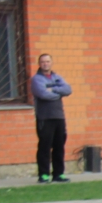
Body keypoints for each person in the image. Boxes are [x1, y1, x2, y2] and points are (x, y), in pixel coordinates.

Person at [30, 54, 72, 183]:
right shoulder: (36, 79)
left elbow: (68, 90)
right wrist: (58, 94)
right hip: (45, 118)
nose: (45, 64)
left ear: (51, 63)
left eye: (48, 61)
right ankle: (44, 174)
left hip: (59, 117)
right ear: (39, 63)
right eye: (43, 62)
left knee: (59, 146)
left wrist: (52, 89)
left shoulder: (57, 77)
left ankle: (58, 174)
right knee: (44, 146)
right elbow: (42, 94)